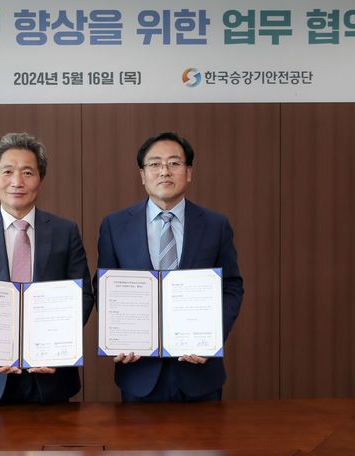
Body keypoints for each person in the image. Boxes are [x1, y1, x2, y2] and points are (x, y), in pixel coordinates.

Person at [0, 132, 94, 406]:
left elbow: (82, 295)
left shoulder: (65, 231)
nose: (17, 182)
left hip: (50, 377)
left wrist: (56, 343)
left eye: (27, 172)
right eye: (8, 171)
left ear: (41, 179)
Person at [96, 132, 244, 402]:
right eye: (155, 164)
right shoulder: (114, 226)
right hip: (139, 372)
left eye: (174, 163)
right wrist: (116, 338)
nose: (164, 171)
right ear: (142, 175)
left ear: (188, 172)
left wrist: (212, 338)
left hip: (200, 372)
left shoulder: (215, 225)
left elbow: (231, 286)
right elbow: (105, 288)